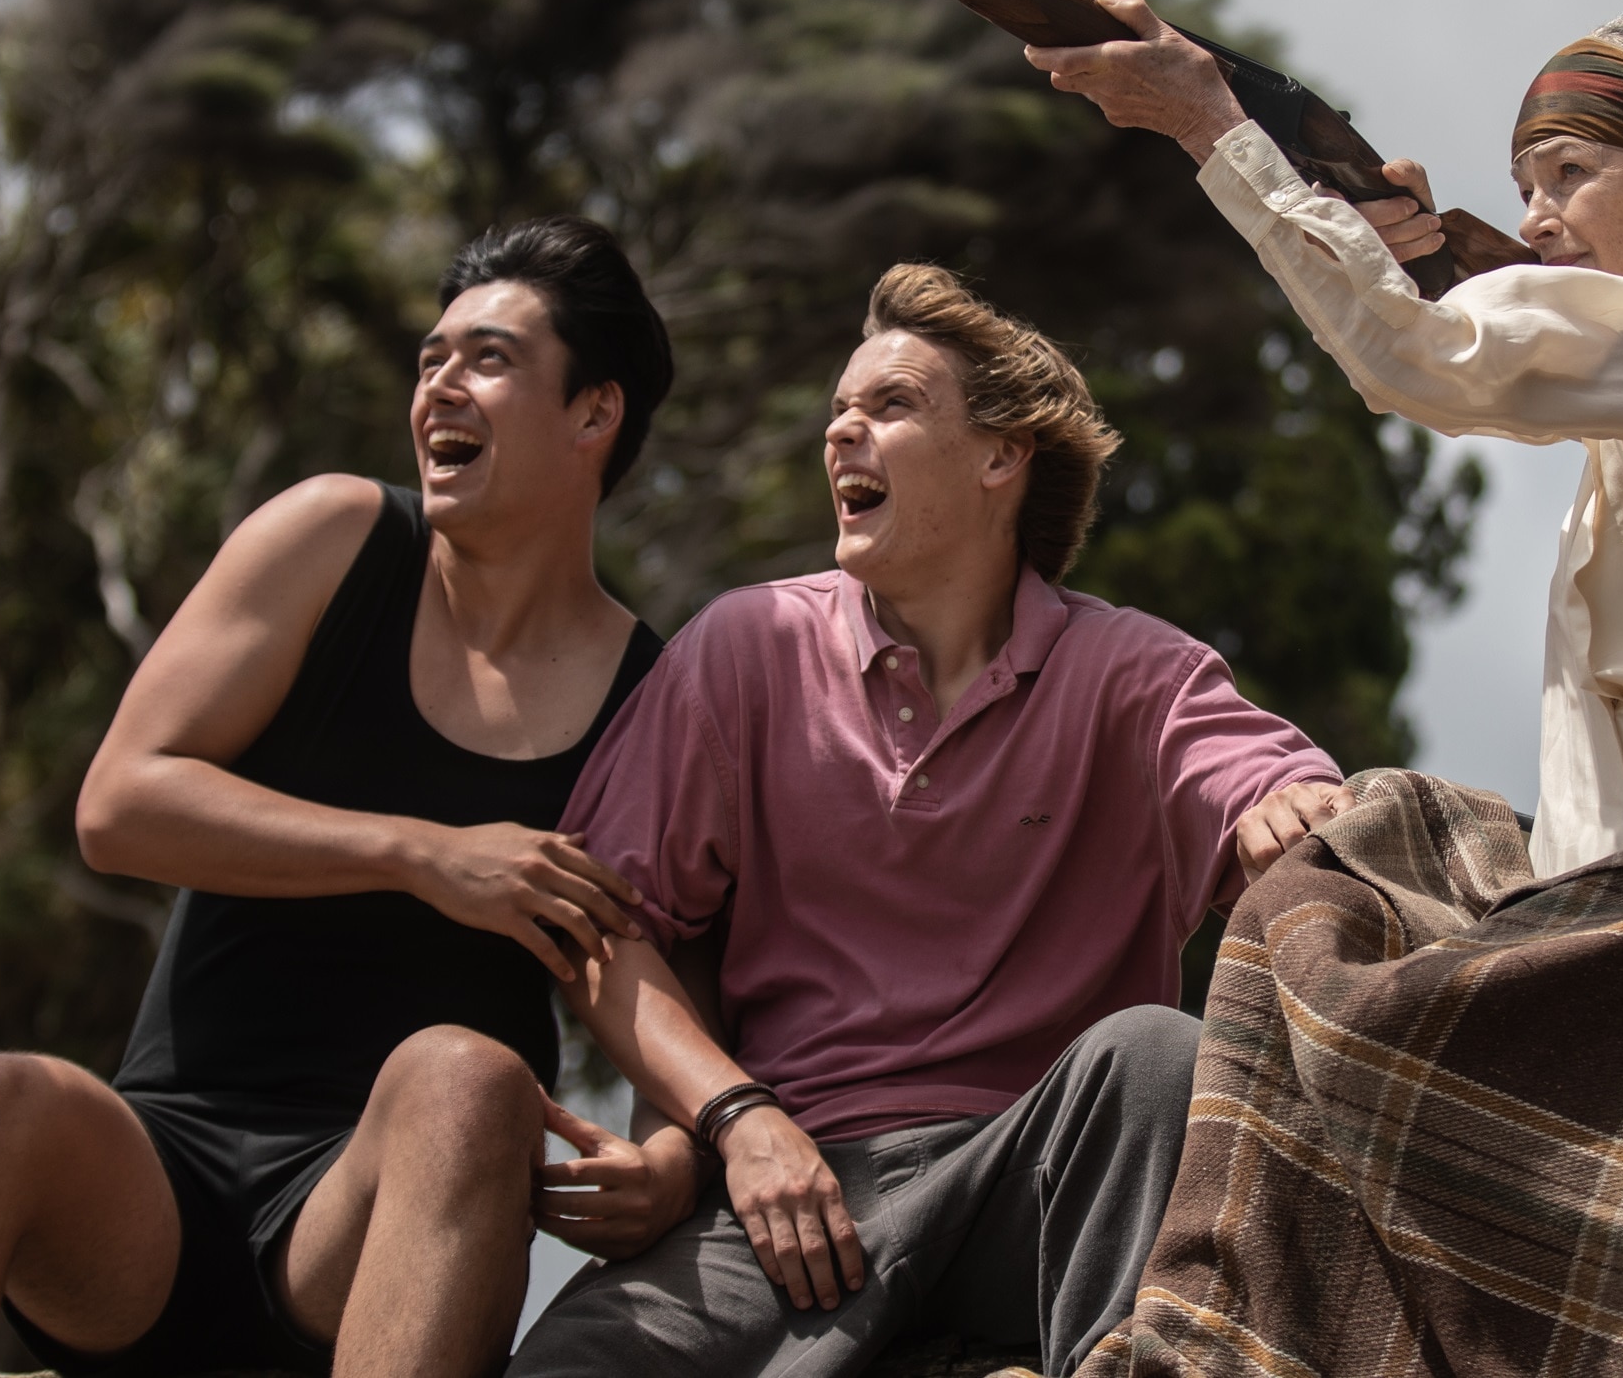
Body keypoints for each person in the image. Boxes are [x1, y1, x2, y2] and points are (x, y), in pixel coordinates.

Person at [0, 217, 686, 1378]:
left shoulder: (648, 695)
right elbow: (120, 803)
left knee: (469, 1075)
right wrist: (422, 852)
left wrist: (671, 1157)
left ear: (594, 412)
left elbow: (668, 972)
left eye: (487, 358)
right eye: (429, 360)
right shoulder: (334, 535)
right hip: (155, 1194)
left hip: (367, 1221)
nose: (439, 388)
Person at [507, 264, 1345, 1378]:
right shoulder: (743, 649)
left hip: (1037, 1183)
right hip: (795, 1194)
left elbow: (1274, 784)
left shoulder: (1137, 670)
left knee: (1152, 1055)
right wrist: (737, 1121)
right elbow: (605, 926)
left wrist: (1285, 811)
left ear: (1003, 456)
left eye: (891, 406)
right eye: (837, 412)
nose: (842, 432)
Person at [1028, 3, 1623, 874]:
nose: (1534, 220)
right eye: (1528, 189)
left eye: (1572, 172)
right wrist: (1399, 263)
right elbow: (1466, 341)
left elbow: (1428, 359)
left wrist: (1208, 122)